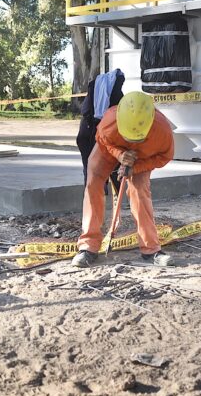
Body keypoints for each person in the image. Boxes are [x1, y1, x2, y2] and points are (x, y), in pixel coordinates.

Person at [73, 91, 175, 268]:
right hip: (110, 149)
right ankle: (88, 246)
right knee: (93, 182)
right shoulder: (110, 120)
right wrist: (120, 155)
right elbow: (103, 140)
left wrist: (136, 167)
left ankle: (151, 249)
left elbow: (165, 157)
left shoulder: (162, 131)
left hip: (144, 157)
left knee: (139, 189)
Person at [76, 69, 124, 187]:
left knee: (97, 174)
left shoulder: (92, 105)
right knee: (94, 176)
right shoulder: (115, 99)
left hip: (91, 136)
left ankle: (112, 200)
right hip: (90, 138)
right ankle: (96, 202)